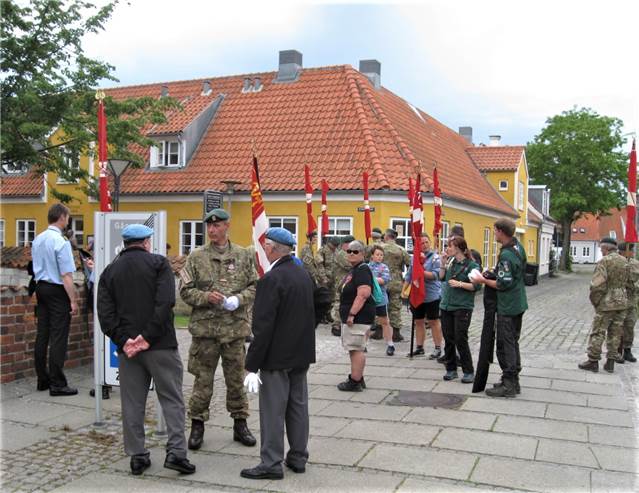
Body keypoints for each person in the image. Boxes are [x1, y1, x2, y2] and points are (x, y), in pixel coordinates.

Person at [97, 224, 196, 476]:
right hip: (160, 344)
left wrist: (125, 340)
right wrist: (147, 337)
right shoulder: (159, 264)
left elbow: (105, 316)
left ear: (126, 243)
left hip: (128, 351)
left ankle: (137, 456)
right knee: (172, 399)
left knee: (132, 404)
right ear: (146, 242)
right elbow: (165, 303)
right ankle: (175, 453)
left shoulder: (109, 272)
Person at [240, 227, 316, 480]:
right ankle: (298, 456)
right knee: (297, 407)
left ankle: (271, 462)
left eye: (265, 246)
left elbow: (262, 327)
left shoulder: (271, 279)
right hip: (300, 353)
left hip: (277, 356)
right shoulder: (303, 275)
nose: (263, 250)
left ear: (272, 248)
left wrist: (251, 365)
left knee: (273, 411)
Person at [179, 208, 258, 450]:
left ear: (227, 226)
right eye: (209, 226)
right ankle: (197, 425)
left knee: (236, 380)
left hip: (234, 331)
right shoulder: (196, 257)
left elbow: (255, 286)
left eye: (217, 225)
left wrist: (239, 299)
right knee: (203, 381)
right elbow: (184, 291)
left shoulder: (243, 255)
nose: (212, 230)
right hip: (206, 332)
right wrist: (205, 297)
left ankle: (240, 424)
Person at [474, 218, 528, 397]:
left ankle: (509, 384)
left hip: (508, 305)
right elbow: (515, 272)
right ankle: (514, 381)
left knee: (506, 344)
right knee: (513, 341)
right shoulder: (517, 247)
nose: (494, 234)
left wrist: (483, 280)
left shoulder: (505, 255)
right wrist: (494, 273)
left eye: (495, 231)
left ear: (500, 232)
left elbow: (503, 283)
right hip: (518, 302)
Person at [31, 203, 78, 396]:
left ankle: (43, 378)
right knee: (59, 336)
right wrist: (73, 301)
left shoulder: (38, 239)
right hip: (57, 290)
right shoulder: (61, 242)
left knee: (43, 334)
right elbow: (66, 275)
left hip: (40, 287)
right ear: (61, 217)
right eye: (67, 217)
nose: (68, 221)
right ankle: (57, 383)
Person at [578, 237, 628, 373]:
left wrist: (596, 302)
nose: (601, 252)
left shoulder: (604, 262)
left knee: (598, 331)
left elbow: (597, 285)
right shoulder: (625, 262)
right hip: (622, 302)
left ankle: (593, 361)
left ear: (606, 249)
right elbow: (629, 283)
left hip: (607, 303)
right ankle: (610, 362)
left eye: (601, 249)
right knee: (615, 332)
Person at [438, 236, 480, 383]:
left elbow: (476, 286)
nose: (447, 249)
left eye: (449, 246)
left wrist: (460, 284)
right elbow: (441, 278)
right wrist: (442, 264)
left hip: (462, 306)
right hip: (446, 305)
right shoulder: (450, 262)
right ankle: (451, 369)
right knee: (448, 338)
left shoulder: (472, 266)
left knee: (460, 338)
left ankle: (468, 371)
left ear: (458, 248)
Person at [337, 240, 375, 391]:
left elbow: (363, 293)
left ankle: (355, 381)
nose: (351, 254)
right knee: (354, 347)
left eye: (355, 251)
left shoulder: (362, 270)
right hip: (355, 316)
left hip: (358, 316)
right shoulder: (356, 269)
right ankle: (358, 376)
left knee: (356, 348)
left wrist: (352, 313)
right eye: (349, 251)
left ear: (363, 254)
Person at [403, 233, 442, 358]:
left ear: (429, 243)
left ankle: (438, 348)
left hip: (431, 294)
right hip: (417, 294)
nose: (424, 245)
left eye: (426, 242)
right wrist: (404, 290)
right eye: (421, 243)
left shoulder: (435, 258)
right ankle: (419, 347)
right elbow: (409, 275)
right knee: (418, 321)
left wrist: (420, 272)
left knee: (433, 321)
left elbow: (435, 275)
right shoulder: (415, 258)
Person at [383, 228, 411, 342]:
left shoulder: (380, 248)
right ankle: (396, 333)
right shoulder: (401, 250)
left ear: (387, 236)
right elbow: (409, 264)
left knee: (380, 306)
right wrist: (406, 279)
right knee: (395, 307)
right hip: (396, 281)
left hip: (382, 281)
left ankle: (379, 330)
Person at [367, 245, 393, 355]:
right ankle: (363, 344)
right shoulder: (366, 267)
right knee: (366, 322)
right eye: (377, 254)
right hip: (368, 298)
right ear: (372, 255)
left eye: (381, 255)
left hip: (380, 298)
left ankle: (390, 344)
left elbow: (384, 280)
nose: (379, 257)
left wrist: (371, 279)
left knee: (385, 322)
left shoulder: (384, 267)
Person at [330, 236, 355, 337]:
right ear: (345, 244)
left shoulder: (347, 253)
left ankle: (342, 324)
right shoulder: (341, 254)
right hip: (340, 282)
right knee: (338, 303)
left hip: (347, 282)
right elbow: (349, 264)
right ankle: (336, 326)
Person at [618, 242, 638, 363]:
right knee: (617, 327)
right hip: (619, 300)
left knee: (629, 326)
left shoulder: (636, 264)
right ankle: (616, 351)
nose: (632, 252)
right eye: (630, 250)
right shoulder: (618, 263)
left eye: (632, 250)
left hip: (632, 301)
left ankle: (627, 350)